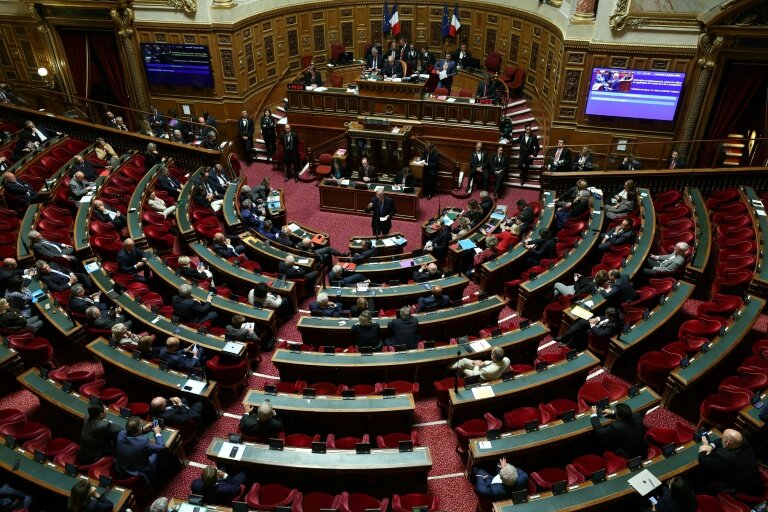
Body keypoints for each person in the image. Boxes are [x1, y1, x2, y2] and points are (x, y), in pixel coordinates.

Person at [697, 428, 764, 496]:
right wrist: (711, 446)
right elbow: (722, 441)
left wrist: (704, 447)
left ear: (727, 442)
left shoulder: (726, 457)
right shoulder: (744, 442)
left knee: (703, 480)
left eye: (722, 437)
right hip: (754, 480)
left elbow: (703, 460)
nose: (721, 438)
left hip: (740, 489)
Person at [115, 416, 165, 484]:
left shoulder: (120, 434)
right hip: (137, 469)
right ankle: (156, 477)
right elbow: (161, 447)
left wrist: (143, 429)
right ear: (137, 429)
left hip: (121, 467)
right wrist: (157, 433)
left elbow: (131, 433)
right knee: (157, 452)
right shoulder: (143, 442)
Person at [557, 307, 623, 351]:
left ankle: (568, 343)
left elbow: (600, 334)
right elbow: (605, 317)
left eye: (608, 315)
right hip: (600, 325)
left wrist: (592, 325)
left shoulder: (613, 326)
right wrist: (597, 319)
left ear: (611, 317)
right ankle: (565, 339)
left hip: (598, 333)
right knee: (582, 322)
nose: (606, 316)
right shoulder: (617, 314)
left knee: (581, 330)